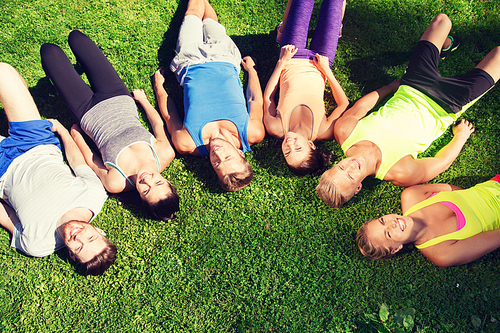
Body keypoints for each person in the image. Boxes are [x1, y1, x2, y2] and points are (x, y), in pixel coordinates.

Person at [317, 13, 500, 208]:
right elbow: (440, 163)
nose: (351, 165)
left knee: (442, 21)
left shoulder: (344, 132)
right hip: (448, 104)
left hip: (413, 84)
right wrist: (460, 137)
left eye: (341, 167)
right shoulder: (400, 172)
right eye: (351, 175)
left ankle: (444, 46)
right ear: (358, 188)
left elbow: (363, 105)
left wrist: (390, 87)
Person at [40, 30, 179, 220]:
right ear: (168, 181)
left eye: (146, 191)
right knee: (77, 38)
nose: (147, 180)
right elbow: (157, 124)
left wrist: (77, 135)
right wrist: (143, 100)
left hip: (86, 111)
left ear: (141, 198)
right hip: (117, 95)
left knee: (50, 52)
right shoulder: (164, 154)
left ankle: (58, 77)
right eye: (158, 183)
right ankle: (78, 68)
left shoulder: (116, 182)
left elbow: (92, 161)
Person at [0, 62, 115, 275]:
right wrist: (61, 130)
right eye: (91, 238)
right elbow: (76, 161)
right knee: (4, 73)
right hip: (36, 144)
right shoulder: (95, 195)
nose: (78, 236)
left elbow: (6, 217)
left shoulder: (38, 244)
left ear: (71, 255)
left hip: (1, 172)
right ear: (100, 231)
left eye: (79, 248)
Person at [143, 0, 265, 192]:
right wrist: (252, 71)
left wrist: (159, 87)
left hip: (189, 61)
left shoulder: (187, 143)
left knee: (192, 12)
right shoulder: (252, 132)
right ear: (241, 154)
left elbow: (169, 115)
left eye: (217, 165)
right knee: (210, 22)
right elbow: (255, 99)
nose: (218, 155)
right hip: (225, 57)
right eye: (228, 158)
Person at [264, 0, 349, 176]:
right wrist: (326, 70)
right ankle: (336, 26)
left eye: (287, 152)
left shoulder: (276, 128)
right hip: (321, 61)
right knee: (334, 4)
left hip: (291, 56)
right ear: (311, 145)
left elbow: (268, 99)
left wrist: (281, 62)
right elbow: (343, 104)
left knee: (301, 3)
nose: (290, 145)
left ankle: (283, 31)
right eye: (298, 148)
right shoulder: (323, 130)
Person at [357, 176, 500, 267]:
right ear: (396, 249)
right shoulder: (442, 253)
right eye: (388, 234)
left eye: (382, 221)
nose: (391, 223)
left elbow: (457, 191)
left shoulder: (411, 195)